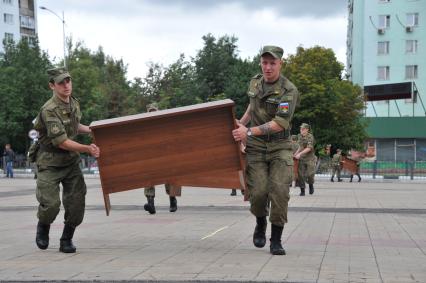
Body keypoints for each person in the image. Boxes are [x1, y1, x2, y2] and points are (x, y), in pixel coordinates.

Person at [232, 45, 299, 255]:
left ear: (280, 64)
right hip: (257, 148)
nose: (268, 67)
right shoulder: (255, 82)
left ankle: (276, 239)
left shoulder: (289, 90)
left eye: (272, 63)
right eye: (264, 62)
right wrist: (238, 124)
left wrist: (248, 132)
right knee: (258, 192)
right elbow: (252, 107)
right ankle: (260, 222)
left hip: (280, 146)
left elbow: (280, 123)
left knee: (279, 191)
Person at [33, 67, 100, 253]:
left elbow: (73, 125)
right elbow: (61, 141)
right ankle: (43, 226)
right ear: (52, 86)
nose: (66, 85)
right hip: (49, 162)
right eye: (61, 82)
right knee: (51, 205)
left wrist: (91, 129)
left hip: (70, 162)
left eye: (68, 81)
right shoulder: (49, 110)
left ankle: (66, 239)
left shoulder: (73, 103)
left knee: (77, 202)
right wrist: (87, 149)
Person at [143, 103, 178, 214]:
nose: (153, 114)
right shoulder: (144, 126)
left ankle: (173, 201)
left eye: (154, 111)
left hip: (165, 155)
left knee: (170, 178)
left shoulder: (165, 123)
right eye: (150, 112)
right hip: (150, 156)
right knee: (148, 179)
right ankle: (151, 204)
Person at [293, 123, 316, 196]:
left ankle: (311, 185)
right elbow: (300, 147)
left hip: (310, 158)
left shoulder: (310, 137)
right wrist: (296, 153)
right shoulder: (299, 136)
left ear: (307, 130)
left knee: (310, 174)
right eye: (300, 129)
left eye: (303, 129)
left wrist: (300, 154)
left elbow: (309, 148)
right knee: (301, 175)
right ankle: (302, 190)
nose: (301, 130)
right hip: (302, 158)